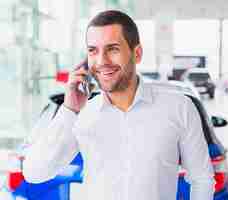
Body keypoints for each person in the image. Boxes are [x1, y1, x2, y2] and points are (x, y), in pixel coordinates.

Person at [23, 10, 214, 200]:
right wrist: (69, 110)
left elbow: (202, 179)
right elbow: (34, 173)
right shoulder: (82, 114)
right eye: (93, 51)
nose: (101, 61)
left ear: (137, 53)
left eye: (112, 49)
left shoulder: (179, 108)